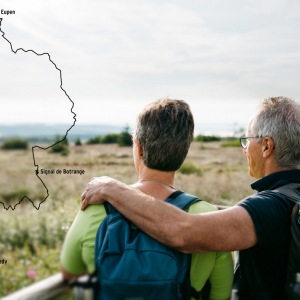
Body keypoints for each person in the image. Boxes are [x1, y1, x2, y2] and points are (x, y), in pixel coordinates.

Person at [81, 96, 300, 300]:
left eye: (247, 140)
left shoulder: (270, 207)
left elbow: (182, 231)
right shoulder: (292, 195)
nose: (244, 149)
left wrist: (112, 188)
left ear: (266, 146)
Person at [61, 98, 234, 299]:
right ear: (184, 150)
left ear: (139, 147)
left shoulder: (96, 208)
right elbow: (222, 294)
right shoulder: (208, 217)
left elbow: (70, 272)